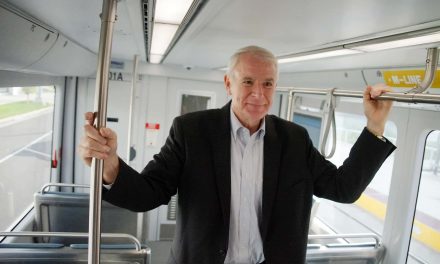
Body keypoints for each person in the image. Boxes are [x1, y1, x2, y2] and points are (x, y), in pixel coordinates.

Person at [79, 46, 396, 264]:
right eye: (248, 82)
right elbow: (150, 193)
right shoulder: (191, 131)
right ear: (228, 83)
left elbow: (343, 188)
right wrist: (111, 165)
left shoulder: (294, 140)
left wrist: (375, 125)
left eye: (268, 84)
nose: (259, 94)